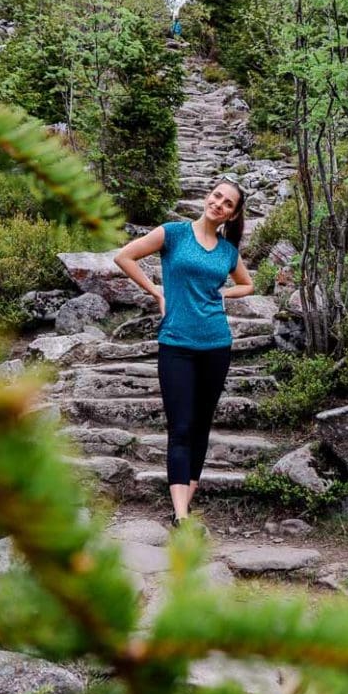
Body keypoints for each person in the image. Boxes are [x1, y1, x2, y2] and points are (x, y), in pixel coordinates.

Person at [114, 180, 253, 527]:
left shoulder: (227, 252)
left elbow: (248, 284)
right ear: (208, 196)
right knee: (181, 427)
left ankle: (183, 513)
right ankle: (181, 513)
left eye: (228, 203)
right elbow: (124, 256)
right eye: (217, 196)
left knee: (202, 426)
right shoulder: (173, 234)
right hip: (176, 343)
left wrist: (224, 296)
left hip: (216, 345)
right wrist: (157, 292)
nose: (219, 204)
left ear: (232, 215)